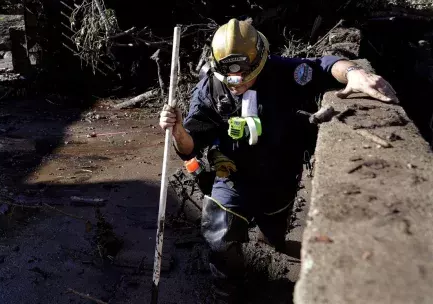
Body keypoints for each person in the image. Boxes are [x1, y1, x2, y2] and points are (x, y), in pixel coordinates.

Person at [158, 18, 398, 303]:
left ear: (259, 62)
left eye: (244, 73)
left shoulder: (283, 73)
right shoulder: (210, 90)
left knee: (273, 237)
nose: (237, 82)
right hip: (232, 175)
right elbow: (188, 147)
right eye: (228, 74)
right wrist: (178, 131)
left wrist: (354, 72)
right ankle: (229, 291)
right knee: (219, 233)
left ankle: (270, 237)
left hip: (279, 177)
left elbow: (326, 66)